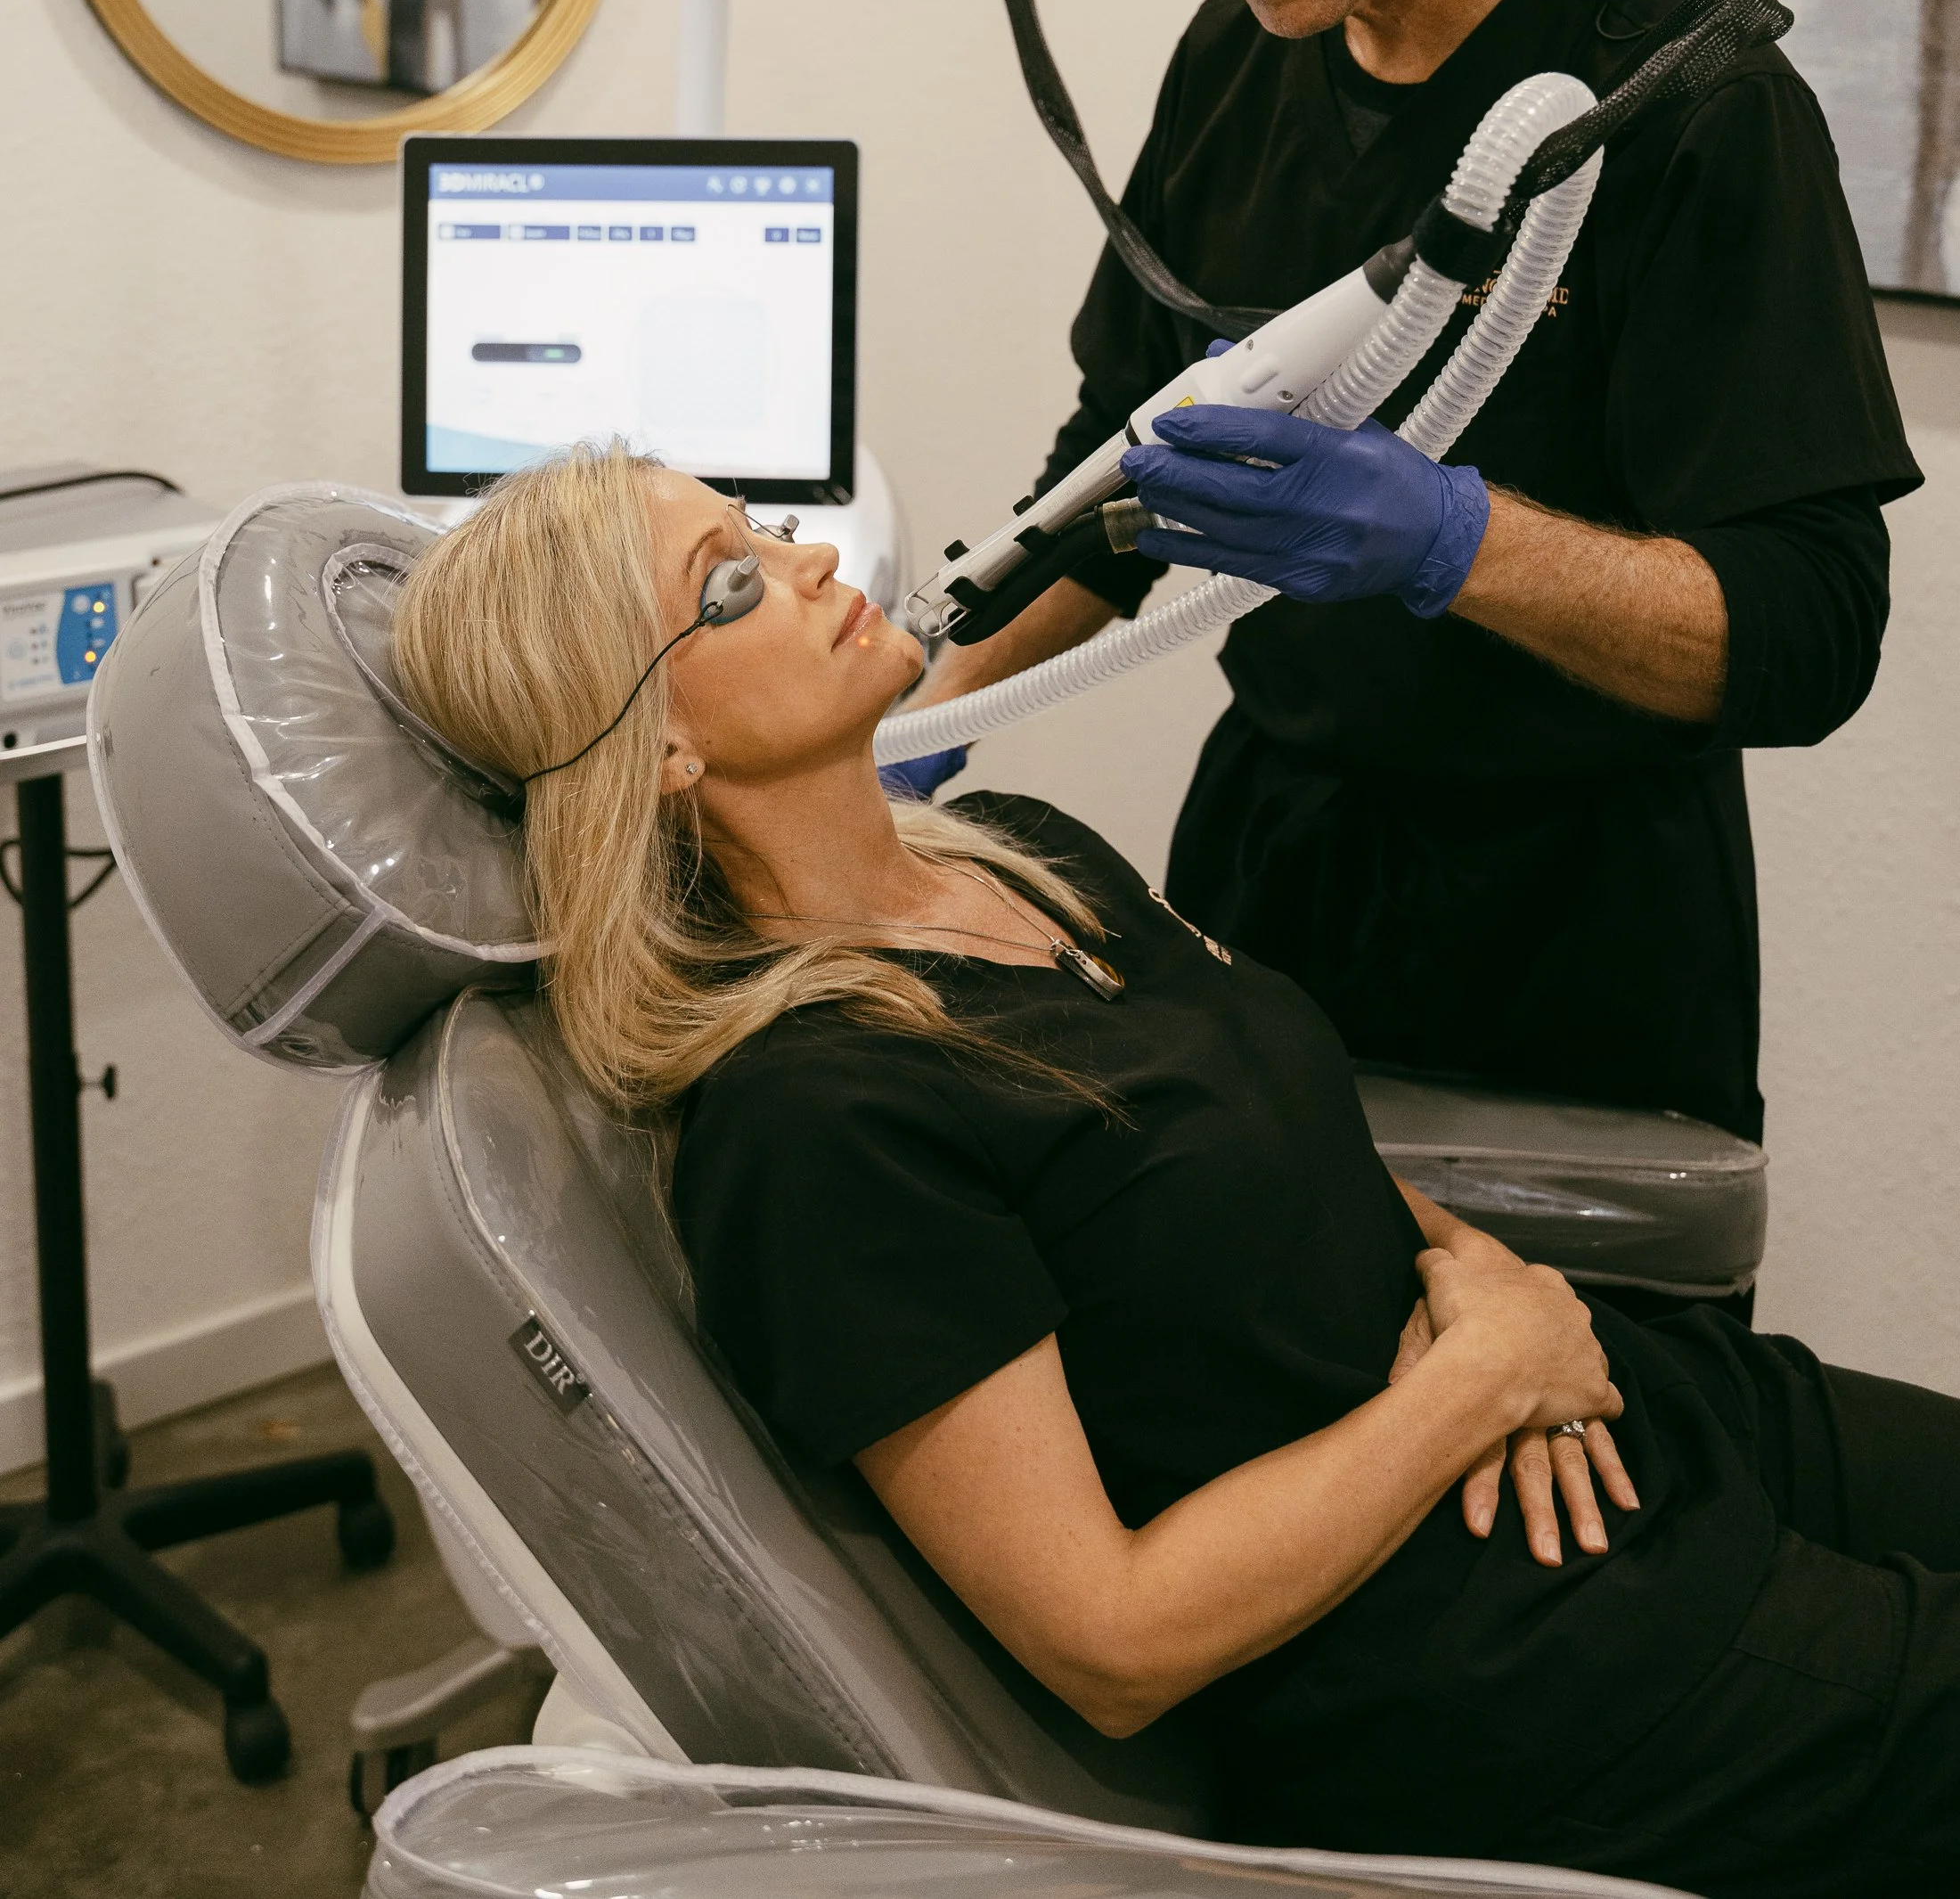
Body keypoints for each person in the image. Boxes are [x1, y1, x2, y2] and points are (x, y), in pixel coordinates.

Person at [395, 446, 1960, 1899]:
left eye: (767, 528)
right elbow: (1114, 1639)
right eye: (729, 582)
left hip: (1624, 1408)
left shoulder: (1022, 854)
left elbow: (1291, 1148)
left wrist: (1500, 1293)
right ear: (659, 744)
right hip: (1508, 1657)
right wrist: (1475, 1387)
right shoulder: (812, 1117)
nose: (808, 562)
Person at [910, 0, 1921, 1158]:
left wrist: (1454, 541)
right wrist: (916, 718)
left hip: (1579, 927)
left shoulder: (1689, 104)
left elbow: (1809, 634)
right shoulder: (1234, 61)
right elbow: (1118, 457)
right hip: (1271, 869)